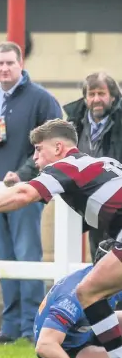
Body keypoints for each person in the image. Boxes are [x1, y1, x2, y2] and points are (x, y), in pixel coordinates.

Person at [0, 118, 122, 358]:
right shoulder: (101, 163)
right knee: (91, 291)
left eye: (39, 149)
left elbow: (23, 194)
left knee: (88, 291)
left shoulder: (66, 166)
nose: (35, 157)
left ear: (59, 148)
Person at [0, 41, 62, 346]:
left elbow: (55, 141)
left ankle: (32, 327)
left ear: (20, 64)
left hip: (26, 191)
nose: (4, 68)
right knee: (3, 258)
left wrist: (24, 173)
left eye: (9, 63)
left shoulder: (41, 99)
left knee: (28, 257)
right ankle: (10, 330)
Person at [35, 238, 122, 358]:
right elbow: (45, 345)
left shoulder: (107, 280)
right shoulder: (71, 297)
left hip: (87, 329)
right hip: (70, 349)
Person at [63, 72, 122, 261]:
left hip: (118, 203)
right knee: (97, 257)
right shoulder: (74, 124)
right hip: (90, 204)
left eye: (101, 93)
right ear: (85, 97)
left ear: (112, 97)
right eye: (92, 94)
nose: (96, 99)